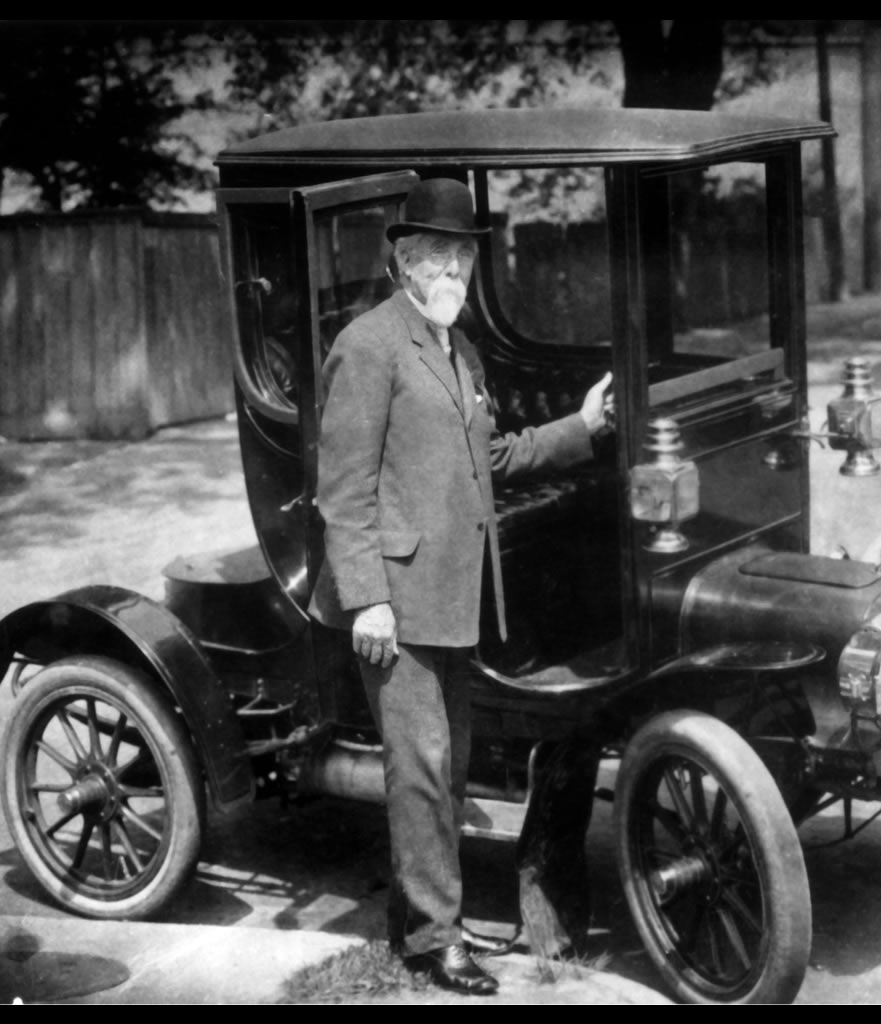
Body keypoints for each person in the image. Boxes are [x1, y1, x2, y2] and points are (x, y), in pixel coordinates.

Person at [307, 177, 613, 996]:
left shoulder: (458, 347)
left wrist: (580, 429)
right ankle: (438, 941)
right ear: (404, 263)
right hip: (397, 605)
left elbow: (494, 458)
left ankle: (420, 922)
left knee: (448, 767)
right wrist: (367, 596)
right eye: (437, 258)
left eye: (463, 258)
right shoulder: (370, 345)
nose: (454, 274)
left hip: (455, 598)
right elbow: (342, 490)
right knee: (420, 769)